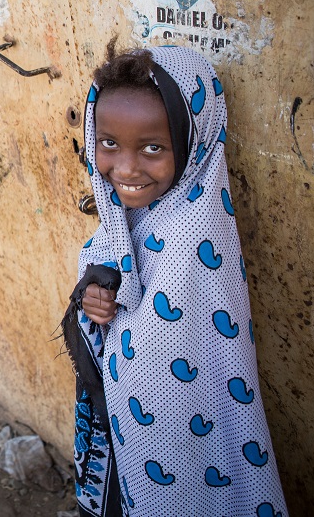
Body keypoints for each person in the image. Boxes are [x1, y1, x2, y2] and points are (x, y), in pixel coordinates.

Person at [61, 43, 286, 516]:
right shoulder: (124, 219)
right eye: (108, 143)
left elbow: (172, 353)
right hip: (127, 428)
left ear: (192, 138)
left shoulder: (195, 238)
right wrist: (95, 297)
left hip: (179, 434)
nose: (124, 169)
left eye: (152, 147)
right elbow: (111, 282)